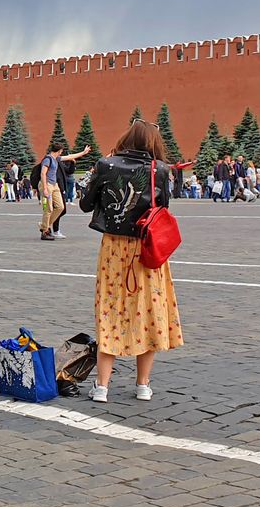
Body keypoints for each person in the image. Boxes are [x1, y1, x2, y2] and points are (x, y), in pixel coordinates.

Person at [78, 119, 183, 403]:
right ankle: (143, 385)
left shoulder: (105, 165)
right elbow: (163, 209)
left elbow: (85, 204)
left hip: (113, 249)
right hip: (146, 248)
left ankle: (102, 387)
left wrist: (97, 175)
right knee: (148, 310)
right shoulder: (160, 169)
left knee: (110, 309)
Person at [39, 142, 91, 241]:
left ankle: (44, 226)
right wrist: (45, 189)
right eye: (61, 151)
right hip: (47, 185)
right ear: (59, 151)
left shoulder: (56, 159)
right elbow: (43, 174)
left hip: (55, 185)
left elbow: (70, 157)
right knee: (48, 209)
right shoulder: (47, 159)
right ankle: (45, 232)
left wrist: (83, 152)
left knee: (60, 207)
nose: (61, 153)